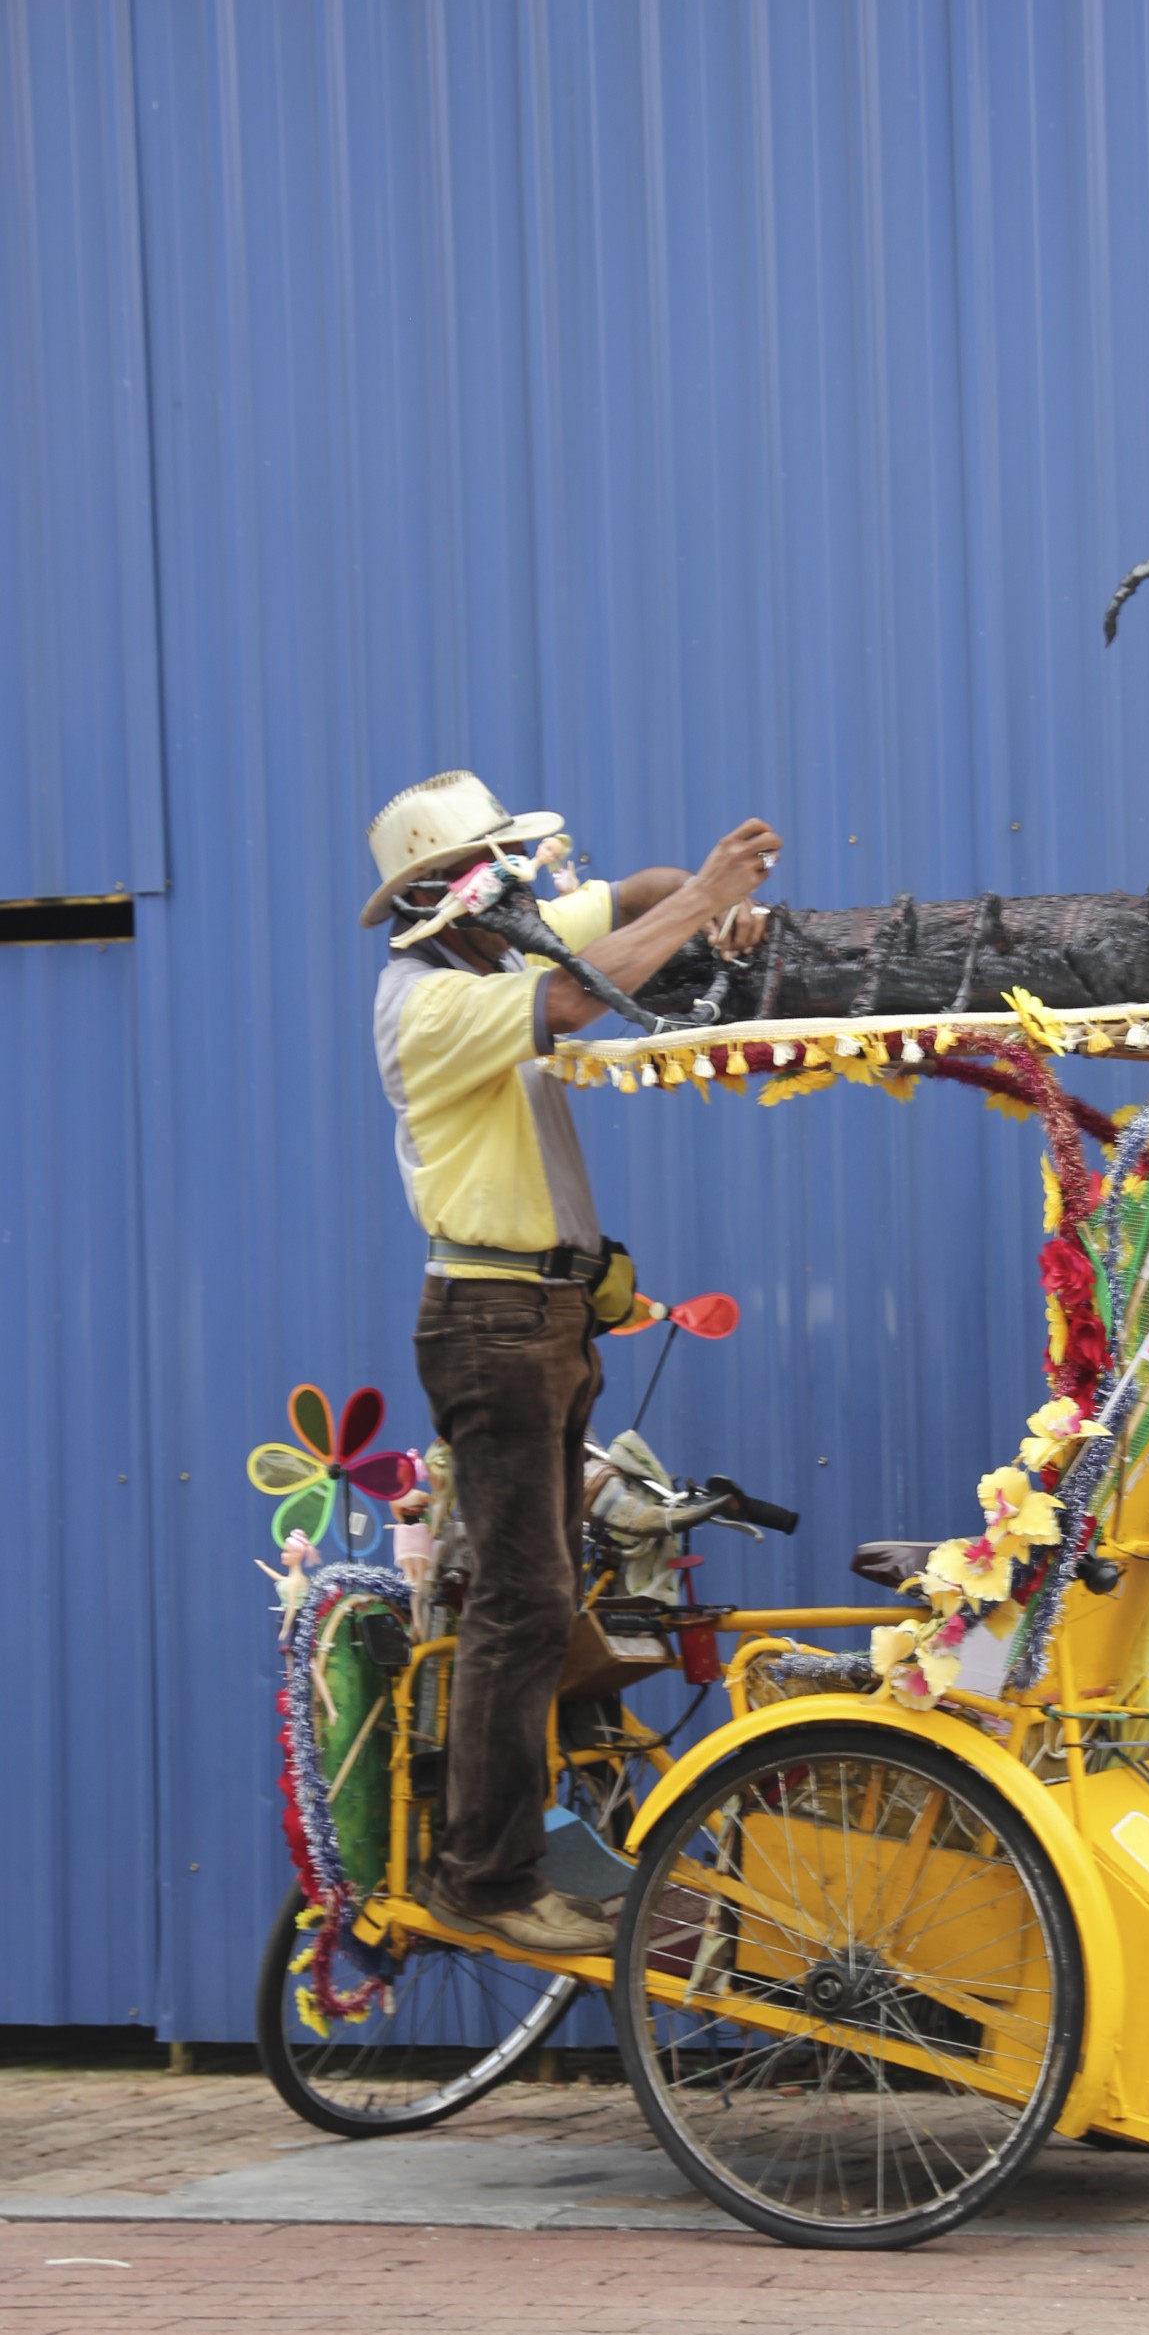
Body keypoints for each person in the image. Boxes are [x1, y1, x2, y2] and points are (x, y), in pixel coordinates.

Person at [363, 770, 782, 1954]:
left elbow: (634, 896)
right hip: (494, 1323)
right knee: (525, 1598)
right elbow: (575, 997)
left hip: (540, 1319)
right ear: (453, 898)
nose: (526, 896)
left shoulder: (487, 956)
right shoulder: (433, 1006)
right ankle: (484, 1874)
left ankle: (524, 1838)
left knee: (544, 1593)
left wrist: (702, 899)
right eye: (501, 875)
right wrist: (705, 896)